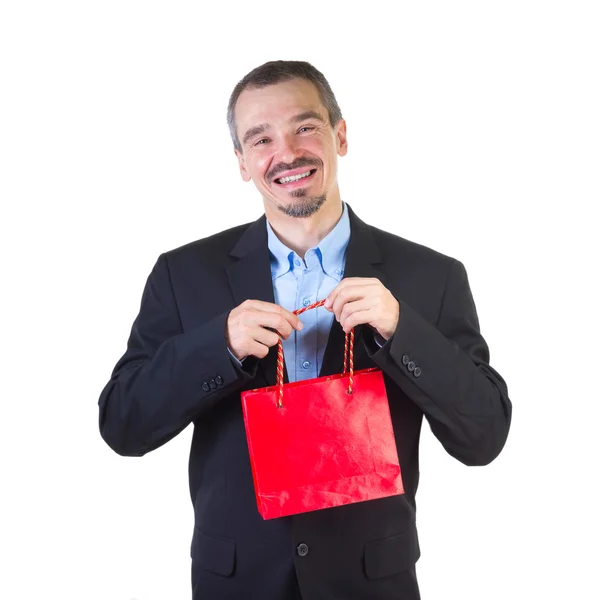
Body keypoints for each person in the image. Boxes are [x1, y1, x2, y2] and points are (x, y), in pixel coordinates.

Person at [98, 60, 512, 600]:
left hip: (371, 585)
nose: (287, 153)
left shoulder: (429, 277)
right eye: (261, 138)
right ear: (243, 163)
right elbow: (122, 425)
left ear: (340, 135)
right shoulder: (183, 275)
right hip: (238, 584)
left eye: (305, 127)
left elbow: (485, 437)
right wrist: (217, 347)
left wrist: (401, 330)